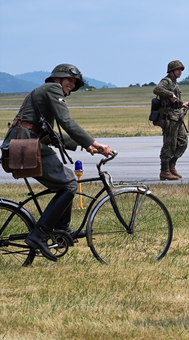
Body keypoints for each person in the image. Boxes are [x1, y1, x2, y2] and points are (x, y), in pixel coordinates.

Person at [3, 64, 112, 260]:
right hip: (25, 145)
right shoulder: (53, 89)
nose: (72, 84)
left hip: (23, 144)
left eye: (75, 82)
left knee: (68, 179)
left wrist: (86, 146)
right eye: (70, 80)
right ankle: (39, 234)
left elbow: (51, 134)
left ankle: (63, 230)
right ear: (58, 78)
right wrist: (95, 142)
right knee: (69, 183)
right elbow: (66, 122)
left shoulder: (45, 92)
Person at [154, 60, 189, 181]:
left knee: (182, 142)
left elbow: (174, 101)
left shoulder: (174, 82)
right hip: (169, 118)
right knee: (169, 144)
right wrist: (170, 94)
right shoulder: (167, 81)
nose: (180, 72)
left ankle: (171, 166)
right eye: (178, 69)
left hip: (176, 117)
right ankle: (164, 171)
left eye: (181, 70)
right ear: (171, 71)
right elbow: (157, 89)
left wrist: (183, 104)